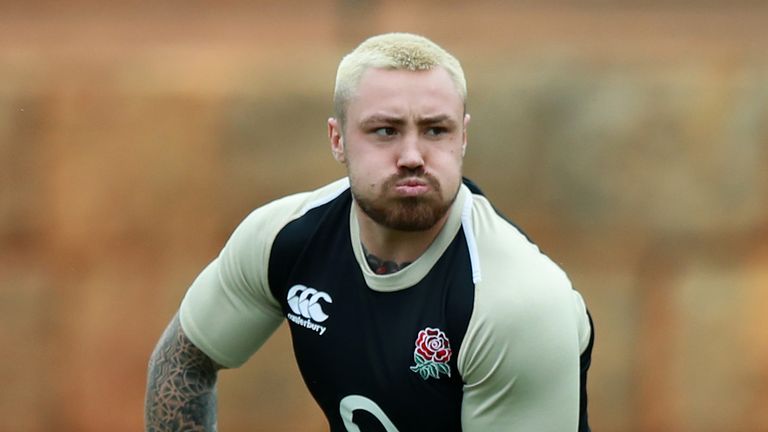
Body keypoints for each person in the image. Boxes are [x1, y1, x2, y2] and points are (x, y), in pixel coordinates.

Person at [145, 32, 594, 431]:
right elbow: (183, 363)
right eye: (385, 130)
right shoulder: (284, 237)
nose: (413, 155)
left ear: (463, 138)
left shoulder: (515, 299)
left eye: (436, 130)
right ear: (337, 139)